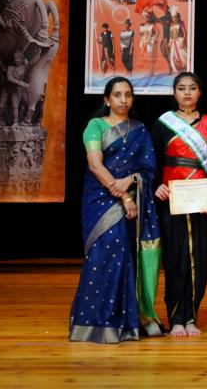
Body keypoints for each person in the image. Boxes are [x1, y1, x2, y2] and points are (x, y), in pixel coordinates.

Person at [70, 77, 163, 343]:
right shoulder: (95, 126)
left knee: (124, 257)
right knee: (102, 256)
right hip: (100, 201)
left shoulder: (140, 130)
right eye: (118, 95)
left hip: (131, 198)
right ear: (106, 99)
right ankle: (93, 322)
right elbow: (95, 165)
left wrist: (131, 182)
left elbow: (148, 170)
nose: (124, 100)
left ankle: (125, 322)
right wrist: (123, 197)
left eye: (128, 95)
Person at [151, 72, 207, 337]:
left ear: (200, 92)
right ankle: (176, 318)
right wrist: (157, 185)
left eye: (192, 88)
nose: (187, 93)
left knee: (199, 261)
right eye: (182, 88)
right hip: (172, 198)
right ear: (174, 93)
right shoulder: (163, 124)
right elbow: (151, 161)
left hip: (202, 200)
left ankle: (191, 317)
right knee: (175, 260)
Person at [138, 10, 158, 76]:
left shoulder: (152, 25)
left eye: (146, 17)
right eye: (144, 17)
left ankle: (151, 71)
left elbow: (157, 32)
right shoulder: (142, 25)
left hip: (150, 43)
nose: (145, 18)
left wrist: (154, 38)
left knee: (151, 57)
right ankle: (149, 71)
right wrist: (141, 42)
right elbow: (142, 35)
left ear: (149, 18)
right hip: (144, 43)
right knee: (146, 57)